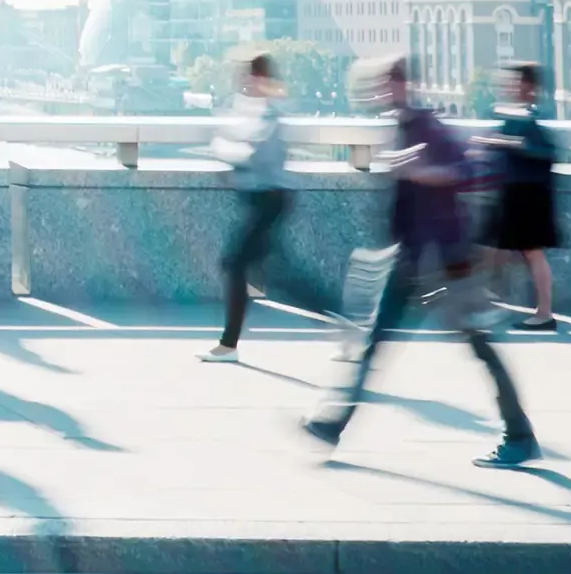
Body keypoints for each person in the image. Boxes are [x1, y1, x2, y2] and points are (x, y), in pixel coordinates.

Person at [305, 58, 539, 468]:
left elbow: (467, 171)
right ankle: (334, 423)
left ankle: (519, 434)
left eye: (388, 84)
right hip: (412, 262)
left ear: (405, 85)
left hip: (446, 265)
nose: (381, 93)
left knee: (479, 346)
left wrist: (423, 170)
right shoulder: (402, 127)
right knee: (374, 345)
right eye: (379, 86)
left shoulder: (428, 126)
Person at [204, 51, 299, 362]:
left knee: (233, 263)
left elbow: (250, 152)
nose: (247, 81)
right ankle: (345, 326)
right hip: (260, 199)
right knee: (282, 274)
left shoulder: (270, 110)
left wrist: (224, 148)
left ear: (262, 78)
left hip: (270, 200)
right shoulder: (256, 107)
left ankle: (228, 345)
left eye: (251, 75)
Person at [479, 63, 562, 334]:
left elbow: (544, 150)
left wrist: (506, 143)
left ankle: (544, 313)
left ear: (529, 86)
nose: (511, 87)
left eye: (516, 82)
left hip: (530, 192)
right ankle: (489, 303)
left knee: (531, 252)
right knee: (493, 247)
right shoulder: (515, 114)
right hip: (513, 190)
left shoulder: (536, 115)